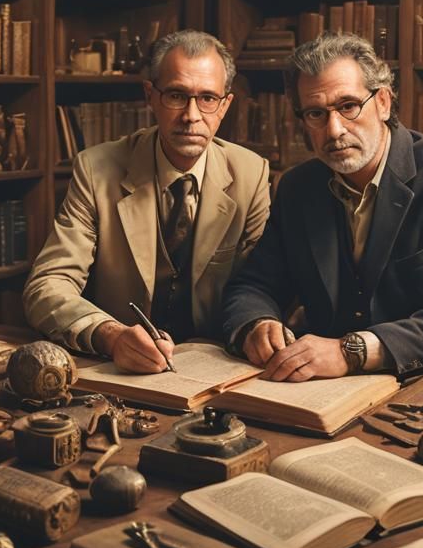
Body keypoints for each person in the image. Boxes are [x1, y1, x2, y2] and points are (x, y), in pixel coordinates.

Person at [222, 33, 423, 382]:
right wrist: (257, 323)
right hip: (333, 392)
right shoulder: (298, 188)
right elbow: (254, 284)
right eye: (316, 113)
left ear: (384, 103)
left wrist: (353, 350)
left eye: (348, 106)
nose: (334, 130)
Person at [23, 30, 271, 373]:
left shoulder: (251, 173)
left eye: (208, 99)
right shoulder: (96, 169)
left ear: (225, 105)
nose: (191, 115)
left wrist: (257, 327)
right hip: (121, 368)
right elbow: (47, 285)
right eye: (176, 96)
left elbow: (260, 285)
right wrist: (110, 335)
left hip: (215, 366)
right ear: (150, 96)